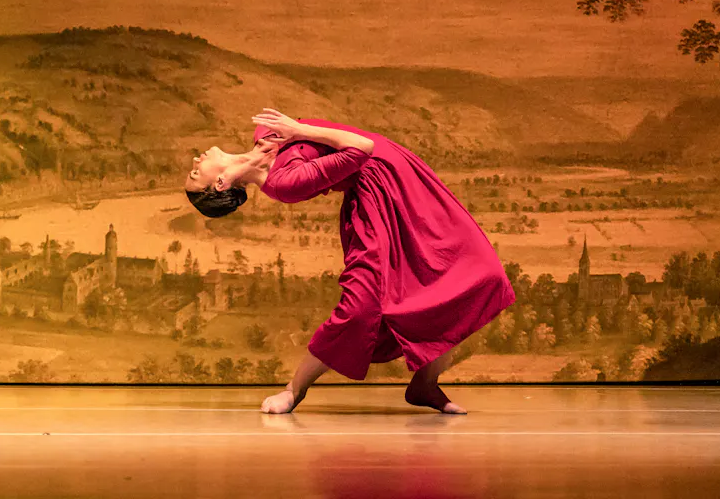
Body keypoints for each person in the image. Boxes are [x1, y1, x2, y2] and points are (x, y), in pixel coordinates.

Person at [184, 108, 516, 414]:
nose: (196, 161)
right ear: (219, 184)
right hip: (375, 201)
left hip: (401, 177)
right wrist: (299, 130)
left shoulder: (266, 133)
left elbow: (342, 136)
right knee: (361, 307)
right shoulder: (283, 183)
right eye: (196, 173)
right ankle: (294, 390)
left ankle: (425, 384)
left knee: (480, 273)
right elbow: (360, 148)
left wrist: (295, 130)